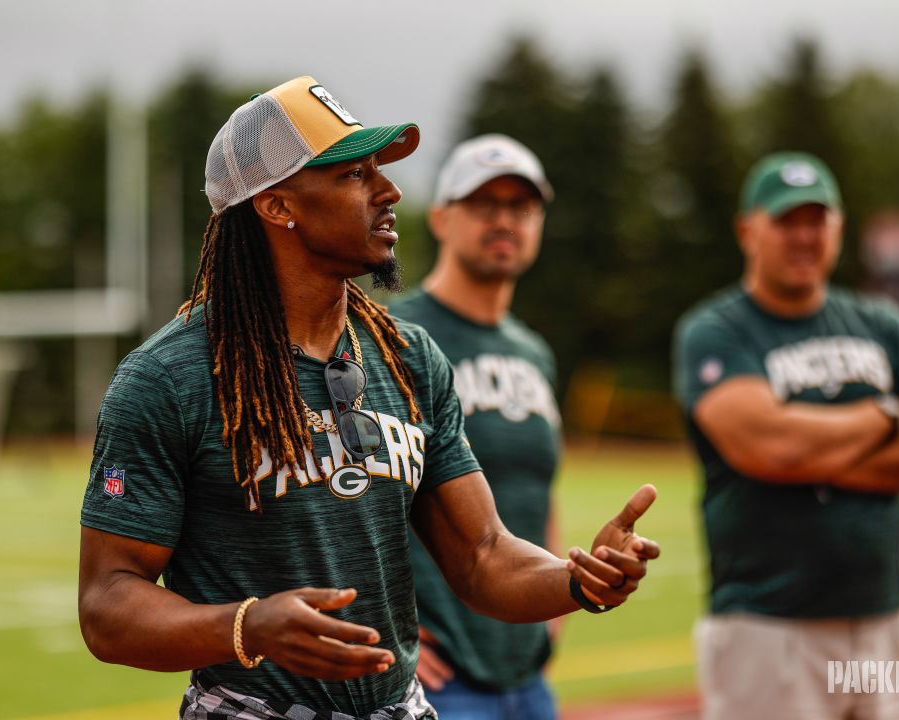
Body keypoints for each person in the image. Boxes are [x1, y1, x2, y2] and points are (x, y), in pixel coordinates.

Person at [78, 76, 662, 720]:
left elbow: (483, 555)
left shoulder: (408, 358)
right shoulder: (168, 377)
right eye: (354, 175)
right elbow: (108, 603)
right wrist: (248, 625)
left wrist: (577, 580)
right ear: (277, 206)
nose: (389, 192)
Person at [673, 151, 899, 720]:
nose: (804, 236)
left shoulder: (883, 322)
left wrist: (811, 457)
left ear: (838, 228)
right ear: (747, 230)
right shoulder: (715, 330)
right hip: (767, 625)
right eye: (786, 221)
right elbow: (768, 445)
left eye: (818, 220)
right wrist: (886, 416)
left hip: (887, 617)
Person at [388, 134, 562, 720]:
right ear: (440, 217)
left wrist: (557, 602)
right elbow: (343, 493)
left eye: (521, 207)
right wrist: (379, 626)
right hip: (436, 680)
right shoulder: (391, 336)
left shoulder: (534, 352)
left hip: (527, 671)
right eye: (484, 205)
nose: (504, 221)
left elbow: (540, 486)